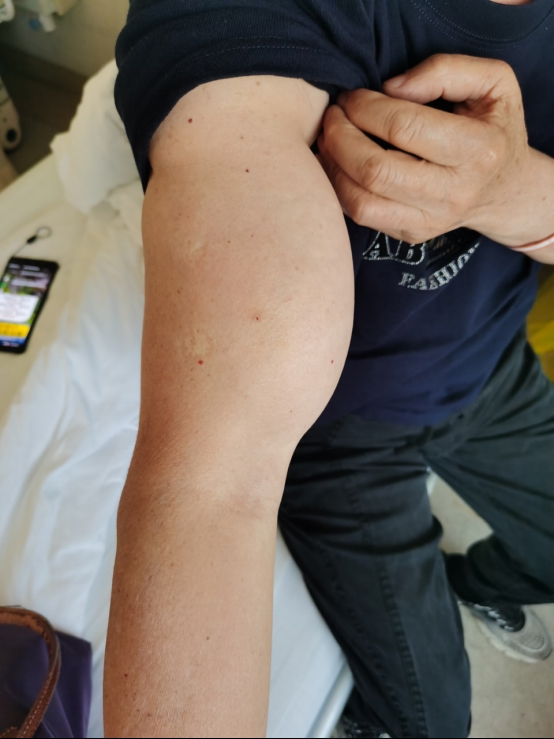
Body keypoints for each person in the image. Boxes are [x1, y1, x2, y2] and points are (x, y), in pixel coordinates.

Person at [104, 0, 554, 736]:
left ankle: (471, 583)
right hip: (349, 434)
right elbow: (215, 483)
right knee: (433, 721)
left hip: (495, 371)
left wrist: (518, 193)